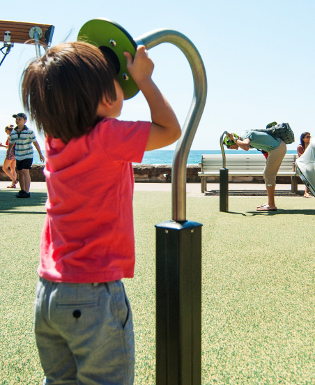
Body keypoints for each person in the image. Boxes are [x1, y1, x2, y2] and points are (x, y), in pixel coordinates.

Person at [21, 41, 181, 384]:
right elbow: (170, 130)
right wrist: (144, 80)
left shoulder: (53, 142)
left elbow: (66, 97)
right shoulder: (107, 136)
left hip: (49, 292)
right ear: (107, 98)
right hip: (91, 294)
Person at [225, 130, 287, 211]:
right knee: (267, 175)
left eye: (232, 147)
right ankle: (270, 203)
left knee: (269, 175)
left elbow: (246, 146)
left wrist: (234, 139)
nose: (234, 149)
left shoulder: (244, 134)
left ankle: (271, 205)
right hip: (275, 148)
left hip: (277, 148)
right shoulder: (244, 137)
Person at [6, 112, 44, 198]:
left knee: (25, 171)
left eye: (19, 119)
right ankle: (22, 190)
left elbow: (35, 143)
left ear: (25, 121)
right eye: (16, 119)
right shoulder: (13, 132)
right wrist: (8, 153)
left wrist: (40, 154)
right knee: (20, 172)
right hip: (18, 155)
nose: (17, 120)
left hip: (28, 155)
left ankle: (27, 191)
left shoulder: (29, 131)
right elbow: (11, 143)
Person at [297, 132, 312, 198]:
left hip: (310, 165)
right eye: (307, 137)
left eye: (309, 136)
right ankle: (306, 192)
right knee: (308, 173)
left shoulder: (311, 146)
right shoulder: (300, 147)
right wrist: (306, 147)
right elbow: (302, 157)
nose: (309, 138)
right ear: (303, 139)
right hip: (302, 165)